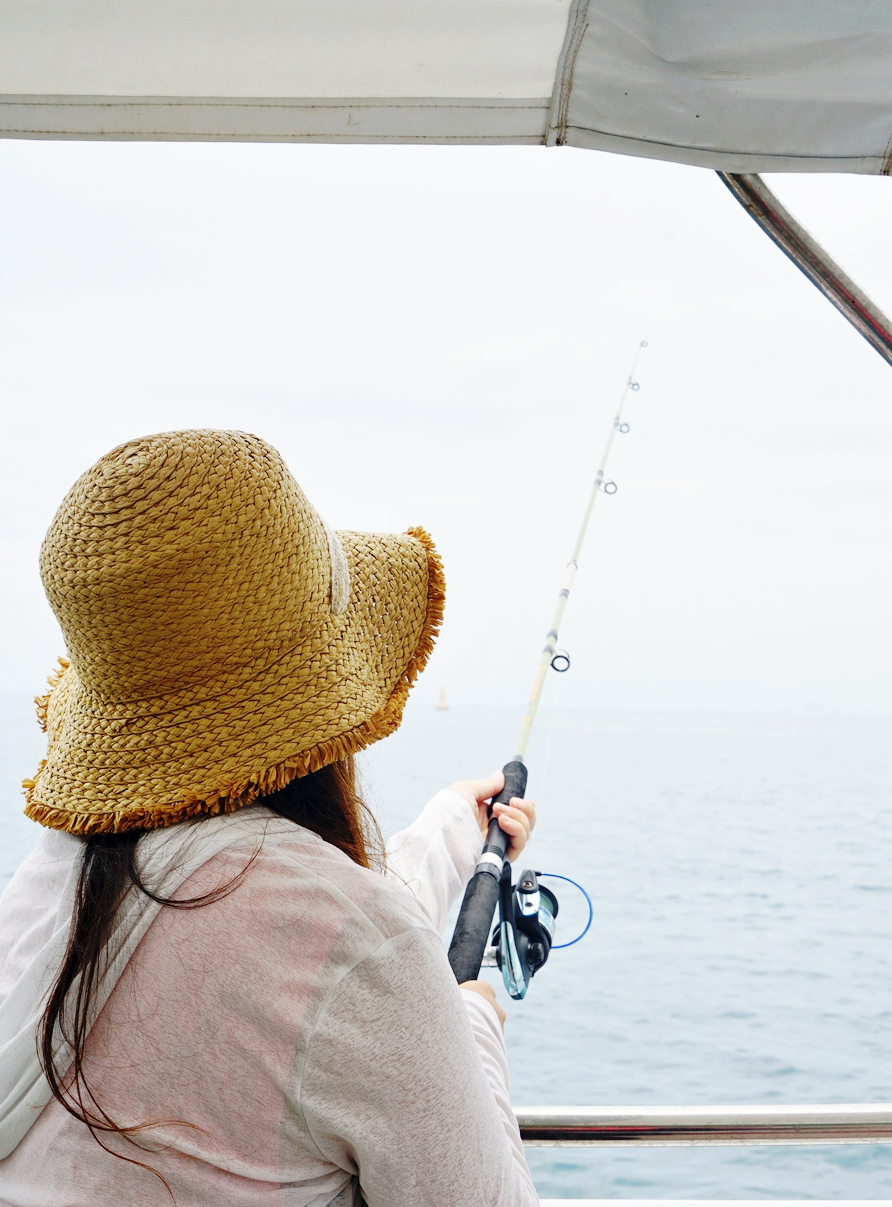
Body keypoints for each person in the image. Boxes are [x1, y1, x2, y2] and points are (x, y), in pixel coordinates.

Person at [0, 429, 540, 1206]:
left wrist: (454, 825)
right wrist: (473, 1020)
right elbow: (343, 955)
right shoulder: (359, 940)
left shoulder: (54, 877)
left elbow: (307, 952)